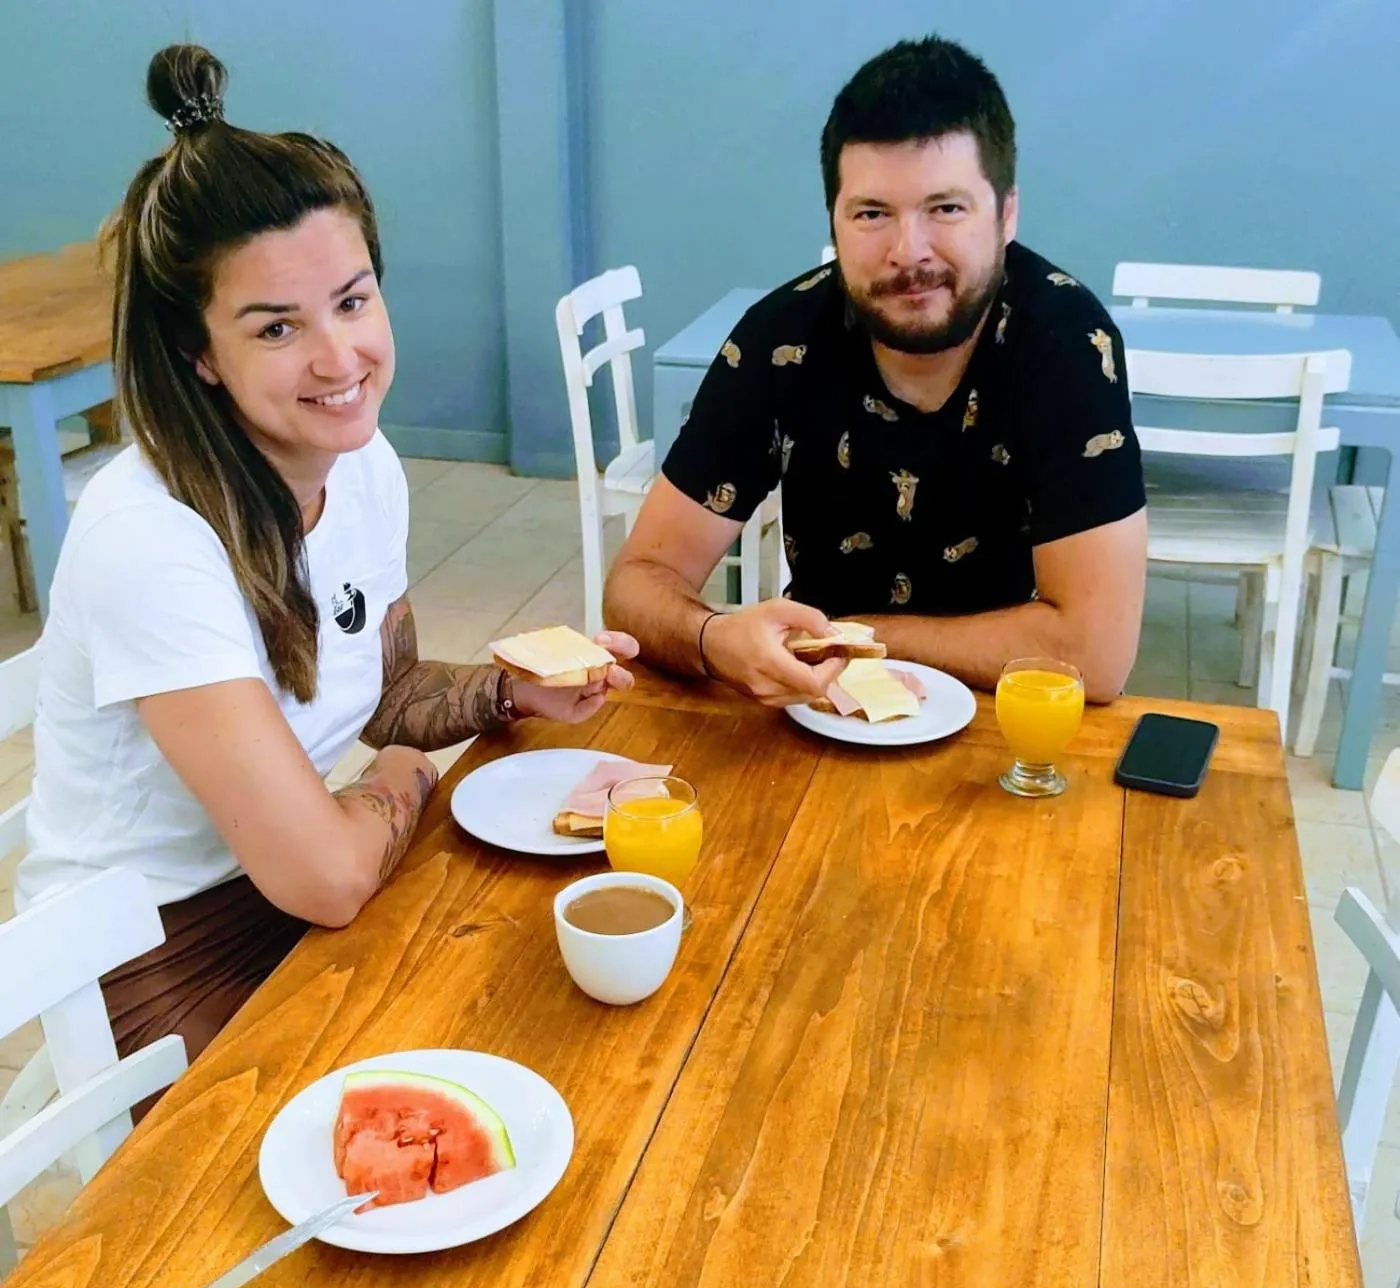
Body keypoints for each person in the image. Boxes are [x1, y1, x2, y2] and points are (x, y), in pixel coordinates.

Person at [16, 44, 636, 1074]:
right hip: (153, 952)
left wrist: (502, 693)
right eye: (276, 327)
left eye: (352, 301)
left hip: (294, 878)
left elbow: (385, 692)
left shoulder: (364, 464)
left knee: (547, 1019)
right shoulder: (154, 540)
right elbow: (331, 876)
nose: (339, 359)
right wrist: (402, 779)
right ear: (198, 353)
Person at [604, 35, 1147, 706]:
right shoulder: (782, 342)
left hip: (1003, 714)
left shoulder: (1065, 344)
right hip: (817, 711)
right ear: (833, 222)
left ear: (1006, 214)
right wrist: (713, 637)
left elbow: (1095, 654)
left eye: (946, 208)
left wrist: (854, 636)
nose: (907, 251)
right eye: (871, 214)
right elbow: (638, 579)